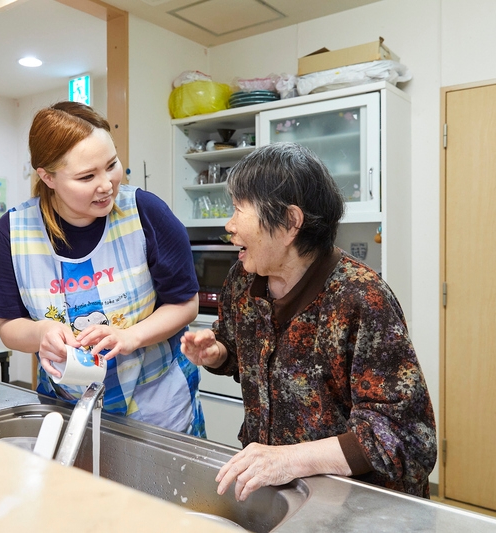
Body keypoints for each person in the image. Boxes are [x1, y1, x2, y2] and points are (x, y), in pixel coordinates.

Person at [181, 142, 436, 499]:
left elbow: (406, 438)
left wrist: (289, 460)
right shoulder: (243, 279)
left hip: (354, 503)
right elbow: (242, 352)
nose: (230, 225)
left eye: (240, 210)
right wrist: (219, 353)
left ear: (289, 223)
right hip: (278, 491)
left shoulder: (360, 298)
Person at [0, 101, 204, 437]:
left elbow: (186, 303)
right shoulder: (13, 232)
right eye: (87, 176)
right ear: (47, 177)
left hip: (158, 411)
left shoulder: (145, 212)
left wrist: (130, 336)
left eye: (112, 165)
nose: (106, 184)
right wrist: (42, 333)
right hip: (68, 410)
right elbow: (8, 324)